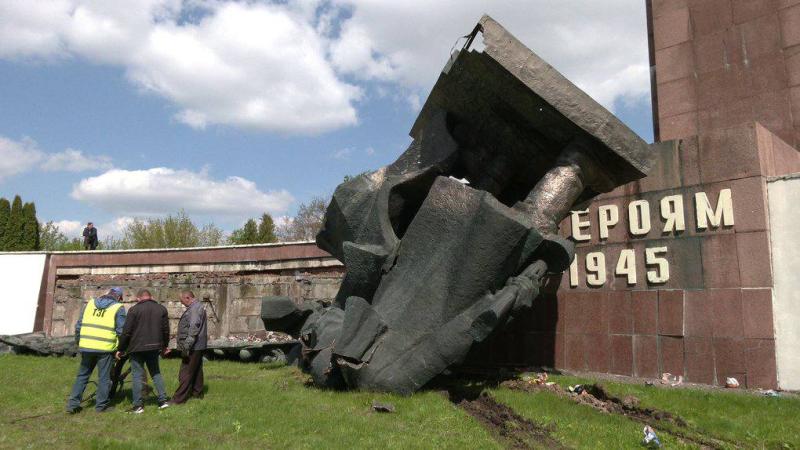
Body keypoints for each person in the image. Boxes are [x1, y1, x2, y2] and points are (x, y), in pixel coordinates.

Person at [66, 287, 126, 414]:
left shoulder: (90, 304)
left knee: (82, 376)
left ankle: (72, 404)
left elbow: (79, 326)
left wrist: (79, 342)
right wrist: (121, 349)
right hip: (105, 349)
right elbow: (121, 332)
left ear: (107, 294)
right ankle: (101, 406)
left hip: (87, 346)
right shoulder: (118, 308)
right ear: (119, 298)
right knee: (104, 378)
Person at [116, 289, 170, 413]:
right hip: (154, 347)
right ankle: (163, 401)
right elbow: (166, 330)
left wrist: (121, 348)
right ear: (150, 297)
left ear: (138, 298)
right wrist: (165, 346)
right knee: (155, 373)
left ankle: (138, 406)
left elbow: (127, 332)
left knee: (137, 376)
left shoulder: (134, 310)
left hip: (136, 348)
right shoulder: (161, 309)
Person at [170, 290, 207, 404]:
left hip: (193, 345)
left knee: (186, 372)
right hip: (198, 345)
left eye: (182, 301)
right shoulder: (198, 306)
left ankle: (178, 399)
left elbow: (194, 327)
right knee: (196, 370)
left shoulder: (195, 309)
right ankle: (197, 393)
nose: (182, 304)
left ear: (188, 298)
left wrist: (187, 346)